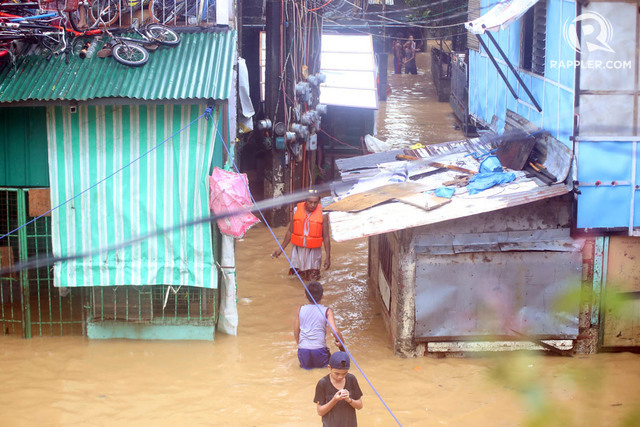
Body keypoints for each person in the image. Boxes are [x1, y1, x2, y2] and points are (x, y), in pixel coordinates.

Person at [271, 194, 331, 281]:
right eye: (310, 202)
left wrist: (328, 257)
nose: (313, 205)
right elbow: (290, 231)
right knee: (294, 279)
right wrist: (281, 249)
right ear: (305, 201)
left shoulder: (323, 214)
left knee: (313, 281)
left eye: (315, 203)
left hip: (313, 254)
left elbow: (326, 237)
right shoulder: (297, 210)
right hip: (297, 252)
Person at [294, 282, 344, 370]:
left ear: (306, 296)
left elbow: (296, 331)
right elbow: (335, 331)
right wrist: (342, 347)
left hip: (303, 350)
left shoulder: (300, 309)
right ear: (322, 296)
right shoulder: (327, 311)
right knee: (324, 373)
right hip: (319, 350)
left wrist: (300, 345)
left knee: (306, 373)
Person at [314, 351, 363, 427]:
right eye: (337, 373)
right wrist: (334, 400)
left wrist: (349, 399)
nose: (340, 377)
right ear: (329, 368)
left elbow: (360, 406)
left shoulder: (351, 379)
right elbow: (320, 412)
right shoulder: (323, 384)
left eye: (344, 373)